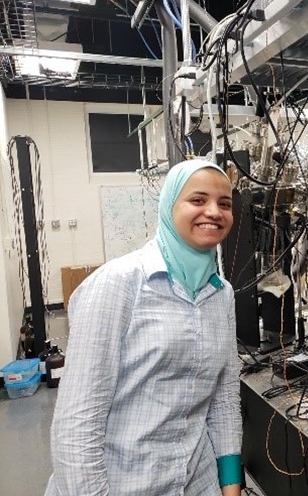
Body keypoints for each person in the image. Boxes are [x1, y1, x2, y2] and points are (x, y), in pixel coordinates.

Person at [45, 159, 242, 496]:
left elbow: (223, 401)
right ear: (169, 206)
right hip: (122, 484)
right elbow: (77, 427)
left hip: (197, 482)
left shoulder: (220, 294)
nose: (214, 211)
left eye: (224, 204)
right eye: (197, 200)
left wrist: (230, 487)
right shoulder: (118, 284)